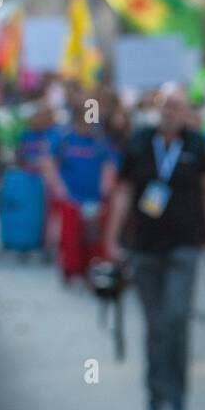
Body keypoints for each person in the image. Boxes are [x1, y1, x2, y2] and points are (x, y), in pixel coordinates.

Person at [105, 90, 205, 410]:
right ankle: (154, 399)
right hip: (145, 247)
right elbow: (125, 192)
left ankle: (178, 400)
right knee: (155, 326)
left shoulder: (197, 146)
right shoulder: (140, 142)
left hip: (184, 246)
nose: (169, 112)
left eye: (177, 106)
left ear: (187, 112)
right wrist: (112, 238)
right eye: (164, 106)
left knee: (176, 318)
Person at [42, 106, 115, 280]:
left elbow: (109, 165)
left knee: (94, 238)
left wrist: (106, 186)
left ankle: (91, 269)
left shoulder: (100, 141)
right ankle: (70, 269)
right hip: (71, 199)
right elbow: (49, 162)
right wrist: (58, 187)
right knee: (70, 238)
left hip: (94, 199)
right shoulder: (64, 138)